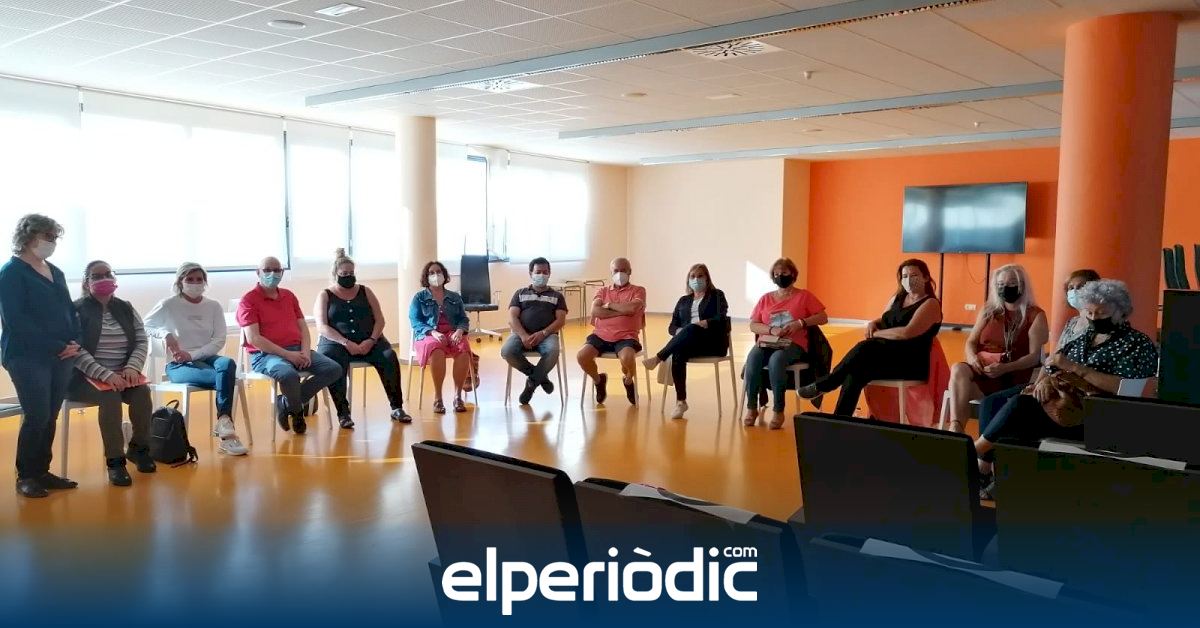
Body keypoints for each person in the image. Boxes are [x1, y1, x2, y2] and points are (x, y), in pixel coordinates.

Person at [975, 279, 1158, 497]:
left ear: (1121, 312)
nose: (1094, 318)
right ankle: (989, 470)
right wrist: (1043, 381)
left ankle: (976, 455)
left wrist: (1075, 368)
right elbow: (1053, 363)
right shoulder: (1085, 337)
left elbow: (1124, 388)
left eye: (1101, 313)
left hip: (1096, 415)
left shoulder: (1137, 344)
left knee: (1020, 409)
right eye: (1089, 313)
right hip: (1061, 399)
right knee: (992, 402)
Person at [0, 215, 81, 497]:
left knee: (50, 415)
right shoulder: (11, 273)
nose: (52, 242)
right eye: (47, 236)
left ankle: (42, 471)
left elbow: (70, 311)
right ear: (29, 237)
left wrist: (75, 342)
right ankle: (26, 476)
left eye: (54, 237)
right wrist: (55, 346)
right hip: (26, 356)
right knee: (37, 415)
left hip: (63, 354)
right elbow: (16, 321)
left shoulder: (54, 271)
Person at [799, 259, 943, 418]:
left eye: (914, 275)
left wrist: (876, 334)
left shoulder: (930, 304)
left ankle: (827, 383)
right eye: (905, 276)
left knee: (864, 347)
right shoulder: (898, 298)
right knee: (855, 373)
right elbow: (885, 318)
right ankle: (839, 421)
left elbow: (906, 332)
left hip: (909, 363)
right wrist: (872, 323)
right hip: (886, 358)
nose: (909, 280)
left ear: (926, 277)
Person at [975, 268, 1101, 431]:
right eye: (1071, 288)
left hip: (1069, 391)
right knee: (990, 402)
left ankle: (982, 446)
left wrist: (1048, 382)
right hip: (1050, 380)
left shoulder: (1098, 329)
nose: (1075, 292)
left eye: (1081, 287)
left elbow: (1073, 367)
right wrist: (1037, 383)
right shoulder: (1072, 323)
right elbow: (1051, 360)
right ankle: (989, 446)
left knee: (1018, 404)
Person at [66, 260, 156, 487]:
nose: (104, 279)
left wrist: (132, 367)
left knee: (142, 393)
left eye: (108, 274)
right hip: (84, 379)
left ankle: (139, 448)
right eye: (97, 276)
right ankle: (115, 461)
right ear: (86, 282)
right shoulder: (76, 309)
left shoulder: (126, 307)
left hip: (123, 375)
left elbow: (141, 340)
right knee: (110, 397)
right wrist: (106, 375)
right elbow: (75, 349)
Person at [143, 262, 247, 456]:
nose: (195, 283)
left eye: (199, 279)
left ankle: (223, 420)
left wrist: (192, 355)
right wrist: (165, 333)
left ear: (205, 282)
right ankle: (227, 435)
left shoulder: (213, 306)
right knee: (223, 377)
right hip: (177, 365)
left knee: (227, 363)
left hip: (206, 358)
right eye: (189, 279)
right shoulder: (168, 304)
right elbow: (145, 325)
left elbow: (219, 340)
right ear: (180, 281)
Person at [236, 256, 343, 435]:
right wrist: (288, 355)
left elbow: (303, 328)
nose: (272, 274)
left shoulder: (289, 296)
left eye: (277, 270)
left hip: (297, 349)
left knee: (333, 369)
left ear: (282, 272)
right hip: (266, 355)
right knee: (288, 374)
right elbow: (254, 339)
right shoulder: (249, 300)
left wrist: (305, 352)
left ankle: (287, 403)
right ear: (258, 273)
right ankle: (297, 412)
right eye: (267, 270)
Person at [945, 264, 1048, 433]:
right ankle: (956, 428)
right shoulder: (989, 311)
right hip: (982, 371)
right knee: (958, 369)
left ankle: (962, 433)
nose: (1005, 288)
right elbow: (971, 341)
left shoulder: (1035, 315)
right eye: (1000, 284)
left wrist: (1005, 368)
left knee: (960, 389)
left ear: (1022, 285)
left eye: (1012, 283)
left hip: (1012, 375)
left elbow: (1034, 357)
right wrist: (972, 358)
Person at [315, 249, 410, 428]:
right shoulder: (325, 295)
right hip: (337, 343)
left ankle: (397, 407)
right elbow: (322, 326)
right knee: (333, 363)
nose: (348, 276)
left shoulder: (366, 291)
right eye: (344, 274)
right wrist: (345, 342)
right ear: (336, 274)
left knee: (389, 356)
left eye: (351, 273)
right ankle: (343, 413)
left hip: (369, 340)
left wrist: (372, 340)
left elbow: (380, 320)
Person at [742, 258, 828, 429]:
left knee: (777, 359)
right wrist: (771, 330)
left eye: (784, 273)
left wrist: (800, 323)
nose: (780, 276)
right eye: (776, 274)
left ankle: (778, 410)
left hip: (793, 343)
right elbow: (753, 324)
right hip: (768, 341)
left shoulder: (804, 296)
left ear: (793, 274)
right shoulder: (765, 298)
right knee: (753, 358)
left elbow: (823, 317)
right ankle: (751, 407)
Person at [644, 263, 730, 420]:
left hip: (712, 343)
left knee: (691, 328)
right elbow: (672, 326)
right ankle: (681, 401)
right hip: (689, 342)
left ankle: (658, 357)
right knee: (678, 351)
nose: (696, 279)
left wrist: (705, 322)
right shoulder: (683, 300)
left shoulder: (717, 295)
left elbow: (722, 318)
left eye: (700, 276)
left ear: (707, 278)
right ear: (688, 280)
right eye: (693, 276)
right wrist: (679, 332)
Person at [578, 257, 646, 405]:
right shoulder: (602, 291)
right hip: (600, 335)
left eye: (623, 270)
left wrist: (608, 305)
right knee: (582, 356)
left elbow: (632, 308)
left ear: (630, 271)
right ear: (611, 273)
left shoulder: (638, 290)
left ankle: (628, 381)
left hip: (627, 336)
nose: (619, 274)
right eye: (616, 271)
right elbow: (595, 311)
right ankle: (598, 380)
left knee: (627, 358)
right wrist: (622, 311)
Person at [501, 257, 567, 405]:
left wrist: (543, 333)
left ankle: (531, 383)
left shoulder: (557, 296)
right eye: (538, 272)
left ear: (549, 273)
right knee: (507, 351)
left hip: (547, 335)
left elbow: (560, 321)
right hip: (521, 334)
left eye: (545, 272)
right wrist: (523, 335)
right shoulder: (520, 293)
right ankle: (540, 377)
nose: (541, 275)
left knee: (553, 351)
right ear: (531, 273)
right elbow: (512, 317)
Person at [409, 260, 471, 414]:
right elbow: (415, 321)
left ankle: (457, 396)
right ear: (426, 277)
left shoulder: (455, 297)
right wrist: (433, 332)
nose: (435, 275)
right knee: (436, 349)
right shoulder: (419, 298)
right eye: (431, 273)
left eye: (438, 272)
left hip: (452, 332)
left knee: (463, 348)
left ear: (444, 275)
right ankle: (438, 397)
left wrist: (459, 331)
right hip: (428, 334)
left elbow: (463, 319)